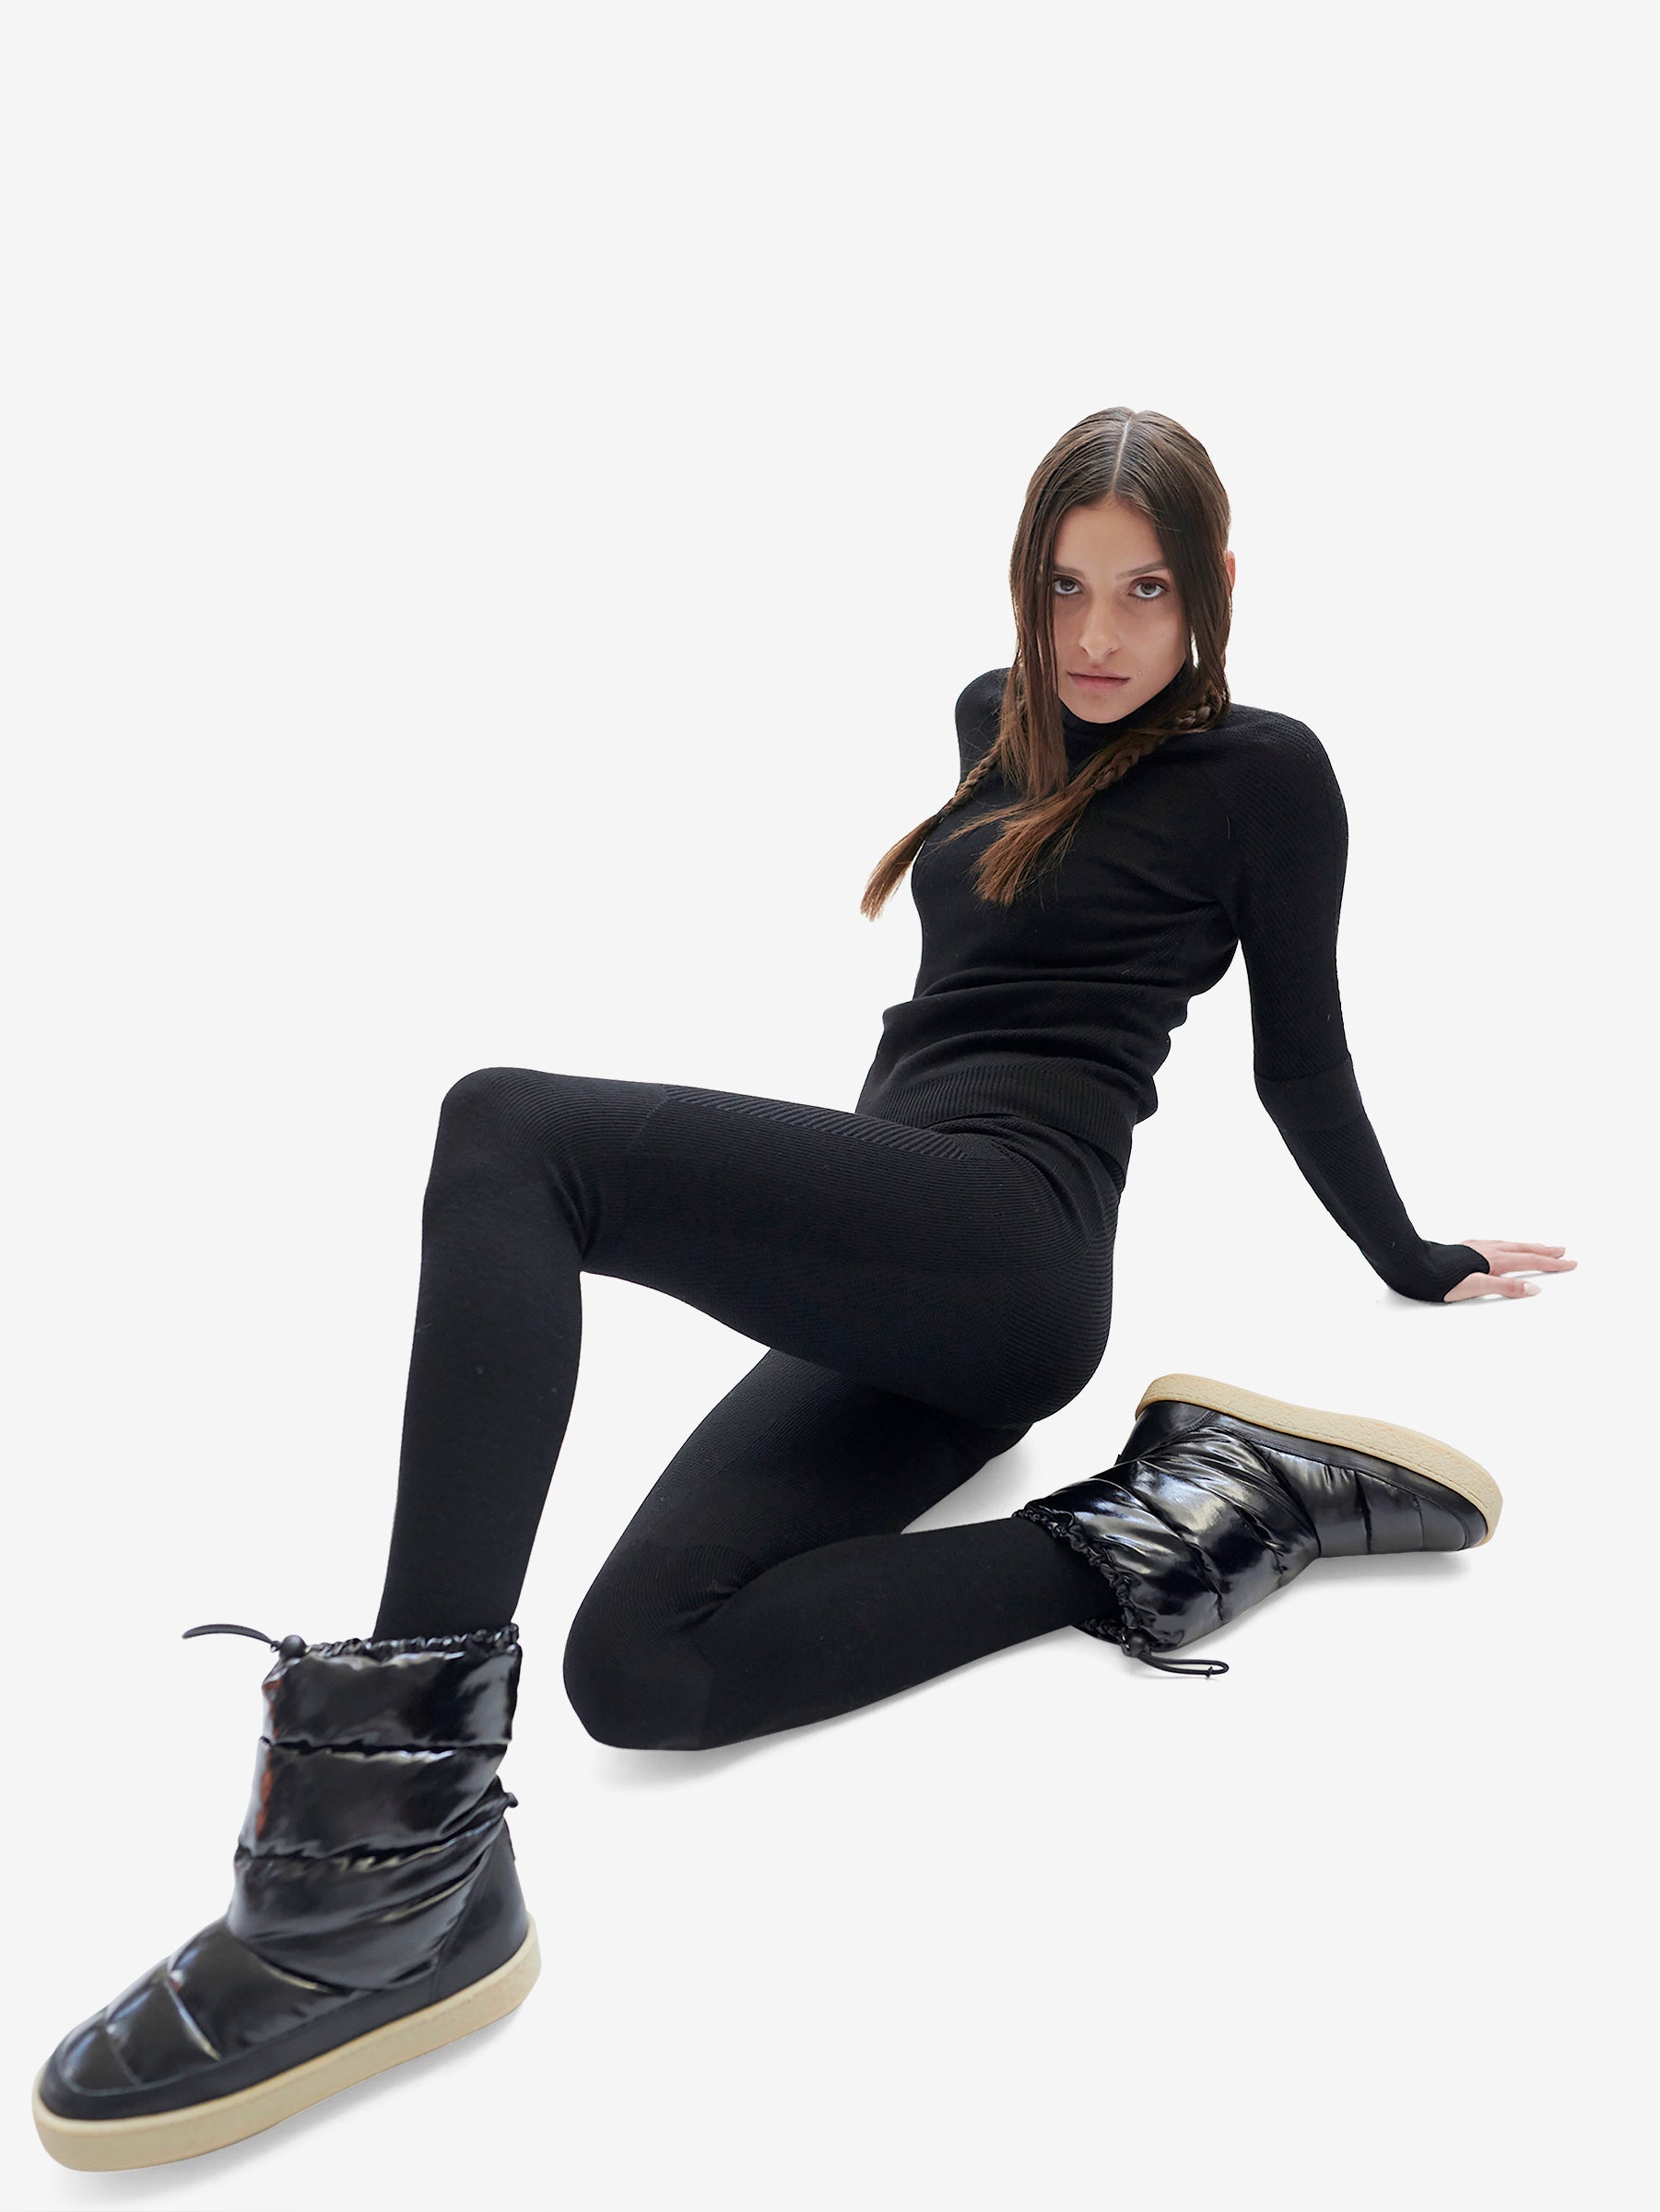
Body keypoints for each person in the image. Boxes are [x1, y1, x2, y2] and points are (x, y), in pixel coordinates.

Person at [32, 406, 1574, 2171]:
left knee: (511, 1135)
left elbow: (1298, 1060)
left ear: (1213, 583)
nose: (1095, 636)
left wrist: (1412, 1258)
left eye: (1145, 591)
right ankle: (1199, 1506)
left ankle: (387, 1858)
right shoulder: (989, 719)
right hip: (900, 1270)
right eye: (1063, 586)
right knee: (639, 1673)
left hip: (1013, 1247)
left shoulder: (1269, 774)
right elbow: (959, 1005)